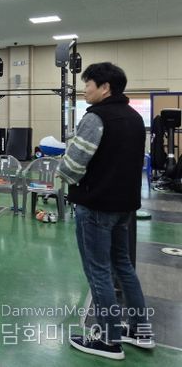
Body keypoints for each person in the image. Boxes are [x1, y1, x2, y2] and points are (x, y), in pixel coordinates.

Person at [57, 62, 153, 360]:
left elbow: (72, 165)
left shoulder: (95, 118)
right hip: (124, 206)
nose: (84, 89)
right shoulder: (135, 118)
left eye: (88, 84)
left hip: (96, 205)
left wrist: (64, 173)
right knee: (123, 267)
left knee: (98, 271)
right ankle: (140, 330)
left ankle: (109, 340)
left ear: (105, 87)